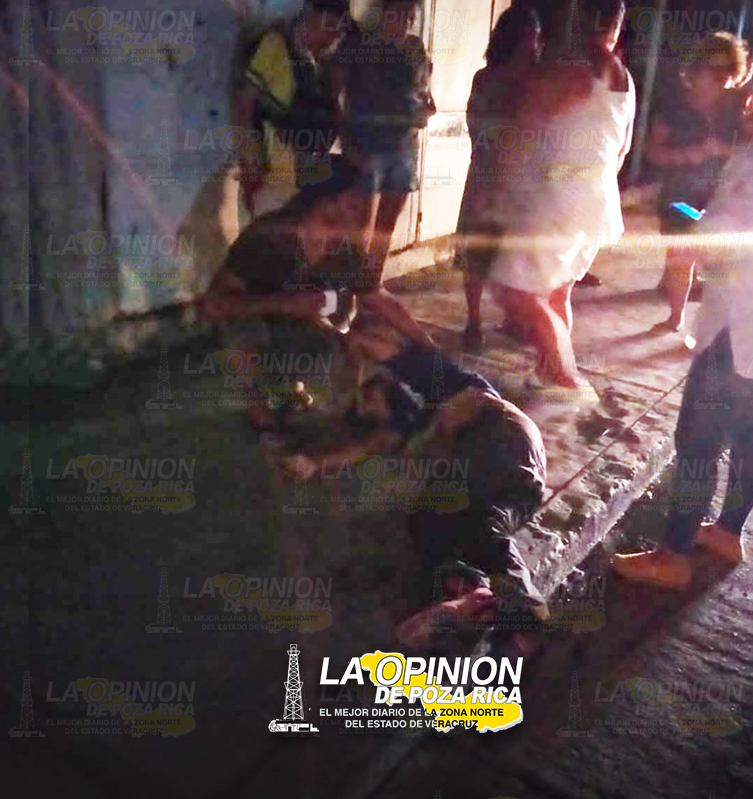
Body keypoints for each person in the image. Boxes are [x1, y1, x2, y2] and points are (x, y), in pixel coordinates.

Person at [611, 42, 753, 590]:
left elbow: (719, 241)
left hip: (740, 322)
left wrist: (694, 231)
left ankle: (672, 555)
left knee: (696, 439)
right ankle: (728, 531)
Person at [281, 318, 550, 656]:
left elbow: (367, 341)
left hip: (501, 435)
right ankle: (475, 597)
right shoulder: (397, 427)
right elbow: (365, 446)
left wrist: (348, 356)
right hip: (507, 483)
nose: (368, 410)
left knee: (476, 518)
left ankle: (518, 611)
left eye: (368, 400)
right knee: (429, 524)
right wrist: (314, 463)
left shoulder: (422, 373)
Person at [461, 0, 634, 398]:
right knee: (556, 293)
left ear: (580, 17)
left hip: (556, 201)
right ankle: (548, 371)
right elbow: (622, 150)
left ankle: (566, 378)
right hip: (595, 202)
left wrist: (495, 189)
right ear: (616, 25)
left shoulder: (573, 69)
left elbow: (523, 132)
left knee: (516, 291)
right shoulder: (625, 79)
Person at [202, 168, 435, 432]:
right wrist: (283, 303)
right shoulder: (269, 235)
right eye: (355, 202)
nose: (365, 211)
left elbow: (376, 296)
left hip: (301, 332)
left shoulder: (344, 246)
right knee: (239, 325)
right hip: (257, 331)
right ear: (325, 201)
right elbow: (214, 304)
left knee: (344, 397)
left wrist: (428, 345)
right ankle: (260, 412)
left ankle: (293, 389)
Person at [646, 31, 753, 333]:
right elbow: (654, 152)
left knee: (721, 261)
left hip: (726, 196)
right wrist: (685, 155)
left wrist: (722, 149)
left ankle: (717, 323)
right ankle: (675, 317)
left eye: (727, 78)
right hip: (681, 194)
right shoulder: (674, 106)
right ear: (698, 69)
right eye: (716, 75)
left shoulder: (739, 107)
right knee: (680, 256)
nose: (722, 85)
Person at [326, 0, 436, 287]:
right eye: (399, 13)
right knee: (361, 231)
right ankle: (350, 296)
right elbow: (332, 94)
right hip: (367, 147)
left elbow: (423, 93)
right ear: (384, 12)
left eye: (411, 15)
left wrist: (426, 111)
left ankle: (371, 290)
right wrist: (346, 141)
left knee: (386, 228)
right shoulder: (359, 46)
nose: (406, 21)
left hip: (404, 150)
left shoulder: (415, 49)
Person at [458, 4, 544, 352]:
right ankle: (474, 321)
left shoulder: (539, 80)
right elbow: (477, 126)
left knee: (516, 253)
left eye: (536, 38)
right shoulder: (488, 78)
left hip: (524, 181)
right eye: (529, 37)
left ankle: (513, 318)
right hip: (488, 174)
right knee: (478, 252)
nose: (533, 44)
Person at [235, 0, 349, 218]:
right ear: (311, 14)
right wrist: (250, 167)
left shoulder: (321, 66)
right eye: (330, 27)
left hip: (305, 185)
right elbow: (244, 108)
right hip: (269, 183)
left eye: (338, 33)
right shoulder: (274, 45)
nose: (333, 38)